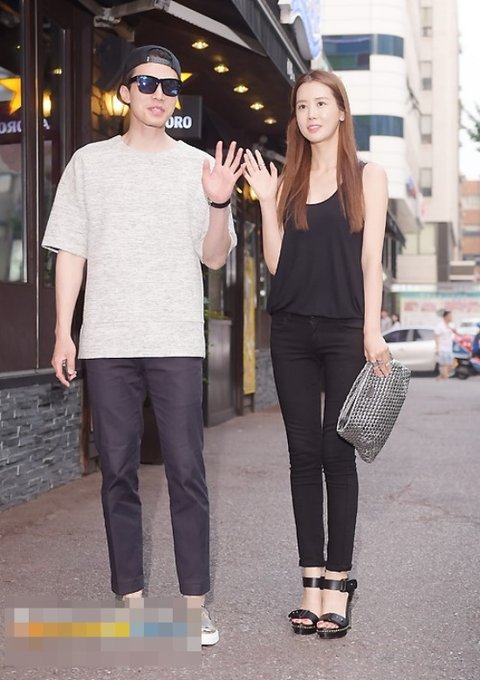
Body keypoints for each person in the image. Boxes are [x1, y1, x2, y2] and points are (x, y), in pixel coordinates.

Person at [42, 45, 244, 646]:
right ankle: (130, 598)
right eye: (147, 83)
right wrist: (63, 331)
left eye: (170, 86)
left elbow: (214, 258)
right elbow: (72, 251)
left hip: (175, 338)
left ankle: (192, 607)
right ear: (125, 92)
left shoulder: (198, 166)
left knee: (187, 472)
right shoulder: (88, 164)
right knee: (118, 472)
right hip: (108, 341)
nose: (160, 94)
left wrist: (218, 201)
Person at [243, 69, 391, 639]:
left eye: (322, 104)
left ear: (341, 112)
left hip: (345, 330)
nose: (311, 114)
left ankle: (338, 582)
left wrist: (372, 330)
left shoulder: (367, 175)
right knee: (302, 455)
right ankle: (309, 585)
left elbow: (371, 259)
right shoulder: (290, 180)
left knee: (337, 453)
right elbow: (278, 265)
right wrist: (265, 202)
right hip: (291, 331)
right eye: (302, 106)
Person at [434, 310, 454, 380]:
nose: (451, 317)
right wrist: (437, 348)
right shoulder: (440, 326)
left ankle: (441, 376)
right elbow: (436, 337)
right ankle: (445, 378)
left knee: (451, 364)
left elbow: (455, 332)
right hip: (442, 348)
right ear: (445, 317)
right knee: (445, 364)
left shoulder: (451, 325)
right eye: (450, 316)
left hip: (449, 348)